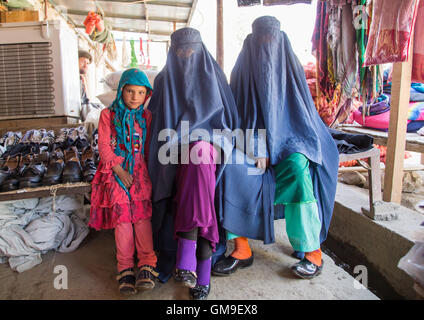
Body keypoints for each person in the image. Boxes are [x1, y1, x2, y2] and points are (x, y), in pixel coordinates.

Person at [212, 16, 339, 279]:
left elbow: (302, 120)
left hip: (290, 142)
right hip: (249, 146)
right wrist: (255, 145)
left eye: (271, 40)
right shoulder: (243, 69)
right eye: (260, 41)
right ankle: (241, 249)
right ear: (251, 42)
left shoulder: (290, 71)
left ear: (281, 42)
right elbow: (236, 118)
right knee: (231, 166)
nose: (265, 47)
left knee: (298, 166)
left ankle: (312, 250)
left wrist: (278, 146)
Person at [147, 27, 238, 300]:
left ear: (201, 49)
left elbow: (229, 119)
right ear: (172, 52)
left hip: (211, 143)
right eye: (180, 51)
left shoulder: (214, 75)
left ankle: (186, 257)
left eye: (191, 50)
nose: (186, 55)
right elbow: (155, 122)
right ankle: (202, 269)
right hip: (172, 146)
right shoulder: (164, 80)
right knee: (194, 167)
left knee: (198, 156)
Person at [89, 68, 158, 295]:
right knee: (123, 220)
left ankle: (147, 264)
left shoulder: (147, 117)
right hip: (115, 171)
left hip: (140, 172)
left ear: (146, 94)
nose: (135, 97)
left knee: (141, 217)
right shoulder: (107, 115)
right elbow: (105, 147)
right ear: (121, 91)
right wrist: (120, 171)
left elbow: (148, 149)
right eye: (130, 91)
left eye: (140, 92)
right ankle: (125, 267)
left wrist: (146, 175)